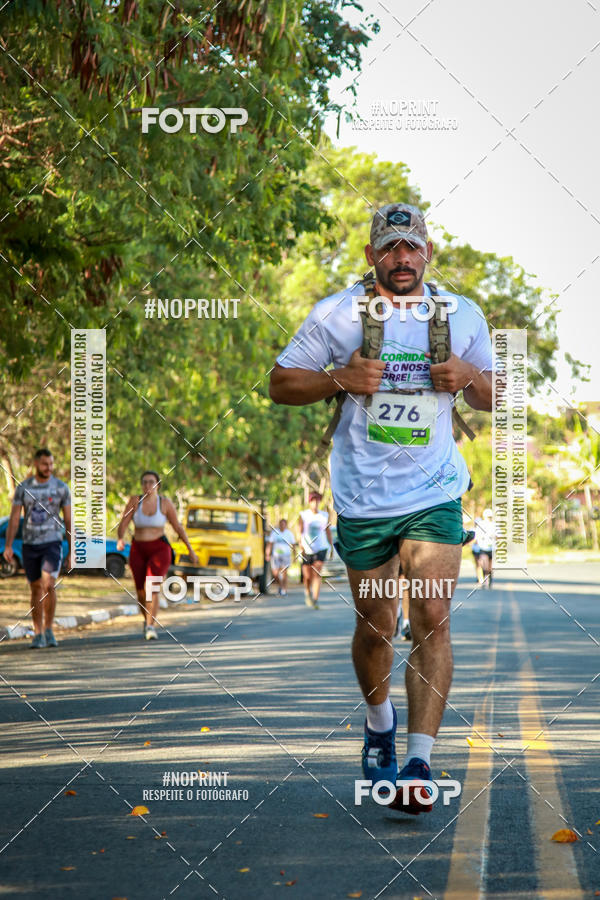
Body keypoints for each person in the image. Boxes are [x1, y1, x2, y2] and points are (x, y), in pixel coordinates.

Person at [270, 203, 493, 813]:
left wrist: (470, 375)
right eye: (390, 248)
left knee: (432, 613)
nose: (402, 257)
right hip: (364, 498)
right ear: (371, 256)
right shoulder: (336, 314)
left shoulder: (462, 317)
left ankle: (419, 762)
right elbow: (281, 382)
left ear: (428, 253)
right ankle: (378, 722)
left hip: (436, 492)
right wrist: (339, 379)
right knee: (375, 624)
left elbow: (504, 399)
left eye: (411, 247)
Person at [117, 471, 198, 640]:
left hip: (159, 549)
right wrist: (120, 538)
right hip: (138, 548)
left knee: (151, 586)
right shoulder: (134, 501)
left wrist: (190, 549)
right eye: (145, 482)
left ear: (158, 485)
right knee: (140, 591)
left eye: (151, 482)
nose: (148, 485)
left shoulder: (165, 504)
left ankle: (150, 625)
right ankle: (147, 619)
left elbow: (177, 527)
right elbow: (123, 522)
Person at [3, 449, 72, 649]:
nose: (49, 468)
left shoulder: (61, 488)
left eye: (51, 464)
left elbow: (68, 519)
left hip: (52, 543)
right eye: (44, 464)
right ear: (36, 464)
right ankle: (38, 632)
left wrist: (73, 551)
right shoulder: (23, 488)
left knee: (48, 583)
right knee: (35, 588)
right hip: (29, 545)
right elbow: (15, 518)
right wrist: (8, 545)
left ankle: (49, 629)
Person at [297, 492, 333, 609]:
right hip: (307, 548)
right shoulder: (304, 515)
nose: (315, 503)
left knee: (317, 573)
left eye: (317, 500)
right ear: (309, 502)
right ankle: (307, 592)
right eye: (313, 500)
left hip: (321, 547)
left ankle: (315, 599)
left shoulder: (324, 515)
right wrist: (300, 544)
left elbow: (327, 531)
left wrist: (331, 546)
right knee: (307, 576)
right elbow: (300, 531)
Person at [265, 518, 297, 595]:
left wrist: (295, 556)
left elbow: (293, 546)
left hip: (286, 555)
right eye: (281, 524)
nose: (282, 526)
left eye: (284, 524)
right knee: (275, 574)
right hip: (276, 556)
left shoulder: (289, 533)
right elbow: (270, 544)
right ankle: (280, 585)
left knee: (284, 573)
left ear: (286, 525)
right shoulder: (275, 532)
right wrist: (267, 554)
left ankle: (284, 589)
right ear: (279, 525)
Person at [472, 507, 495, 588]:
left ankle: (490, 578)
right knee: (483, 564)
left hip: (492, 548)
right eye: (488, 516)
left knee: (490, 567)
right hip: (483, 548)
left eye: (490, 516)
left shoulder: (494, 525)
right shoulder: (481, 524)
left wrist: (494, 537)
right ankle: (484, 579)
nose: (489, 518)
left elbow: (499, 536)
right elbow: (477, 536)